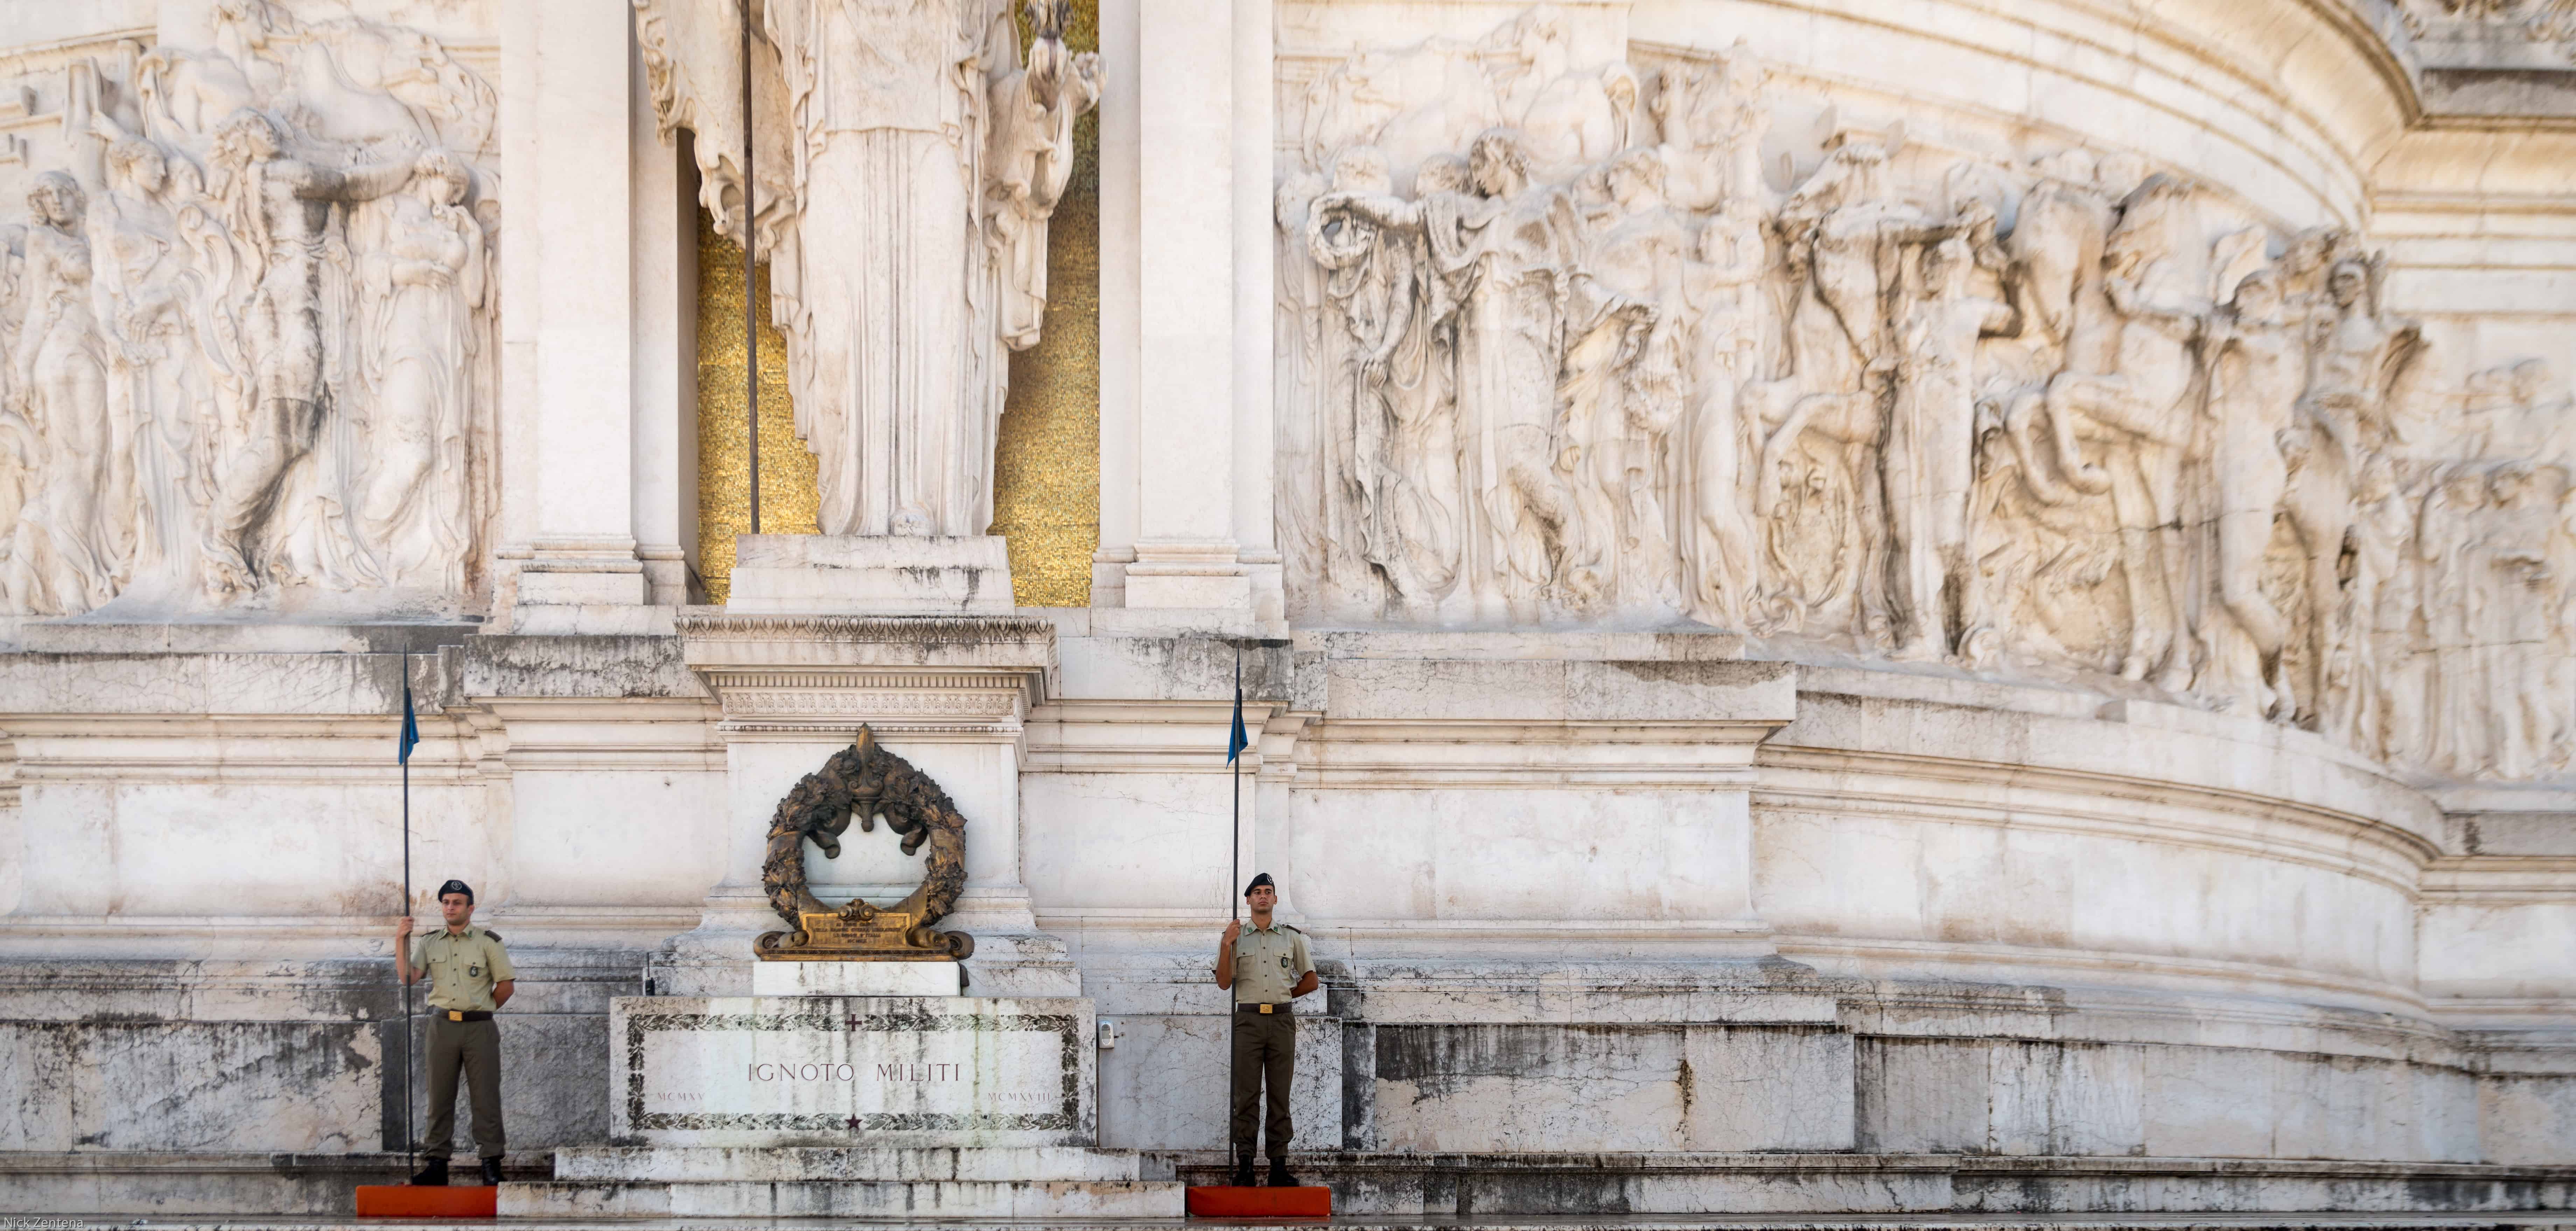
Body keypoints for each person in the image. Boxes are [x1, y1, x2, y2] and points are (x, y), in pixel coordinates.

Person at [395, 879, 514, 1186]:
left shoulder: (489, 941)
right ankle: (437, 1165)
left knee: (486, 1097)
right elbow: (409, 977)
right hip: (443, 1026)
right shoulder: (430, 942)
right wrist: (401, 939)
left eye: (457, 902)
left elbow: (505, 986)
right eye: (446, 902)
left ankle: (491, 1163)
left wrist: (482, 1008)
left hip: (480, 1028)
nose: (451, 907)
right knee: (439, 1096)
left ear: (470, 908)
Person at [1214, 872, 1317, 1187]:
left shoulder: (1291, 937)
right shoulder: (1236, 936)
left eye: (1268, 892)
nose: (1262, 896)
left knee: (1279, 1096)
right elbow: (1222, 982)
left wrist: (1285, 996)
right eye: (1257, 892)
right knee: (1245, 1095)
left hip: (1281, 1022)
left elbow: (1311, 980)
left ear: (1275, 899)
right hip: (1248, 1021)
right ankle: (1245, 1166)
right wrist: (1225, 944)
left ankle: (1278, 1167)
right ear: (1248, 899)